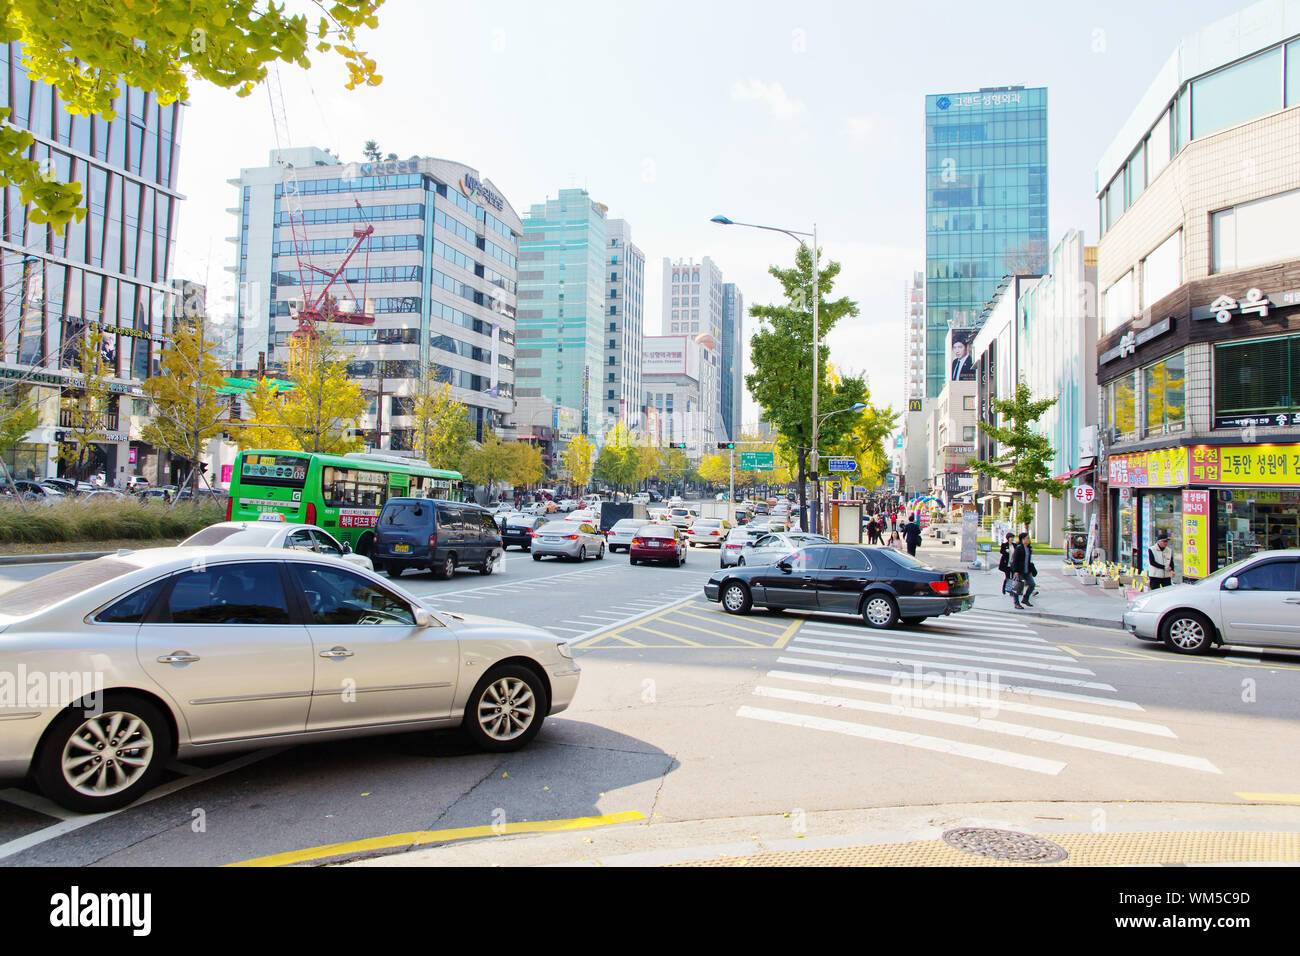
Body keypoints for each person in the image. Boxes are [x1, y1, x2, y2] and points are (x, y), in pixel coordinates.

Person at [1012, 532, 1037, 608]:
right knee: (1018, 587)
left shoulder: (1029, 549)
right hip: (1020, 571)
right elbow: (1015, 560)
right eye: (1027, 538)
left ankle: (1025, 599)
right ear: (1023, 540)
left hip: (1027, 571)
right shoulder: (1019, 548)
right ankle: (1016, 603)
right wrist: (1016, 571)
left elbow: (1028, 560)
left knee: (1032, 584)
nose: (1029, 540)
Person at [997, 531, 1016, 602]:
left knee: (1013, 577)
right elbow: (1001, 551)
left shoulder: (1015, 545)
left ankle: (1010, 590)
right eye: (1010, 538)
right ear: (1008, 538)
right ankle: (1006, 588)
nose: (1012, 539)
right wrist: (1006, 551)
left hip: (1013, 564)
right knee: (1008, 577)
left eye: (1013, 538)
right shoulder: (1004, 545)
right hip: (1006, 564)